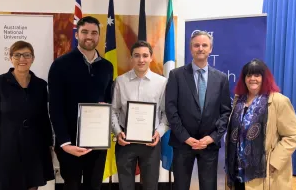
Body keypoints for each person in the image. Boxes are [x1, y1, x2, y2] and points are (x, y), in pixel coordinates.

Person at [48, 16, 114, 190]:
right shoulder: (60, 65)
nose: (89, 36)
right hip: (70, 143)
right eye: (84, 32)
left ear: (99, 36)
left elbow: (108, 100)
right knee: (72, 186)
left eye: (94, 32)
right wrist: (64, 142)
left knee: (95, 186)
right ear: (77, 34)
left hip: (97, 142)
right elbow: (55, 106)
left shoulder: (107, 67)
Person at [0, 41, 54, 190]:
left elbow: (44, 120)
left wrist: (49, 147)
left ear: (32, 58)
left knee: (31, 186)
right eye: (17, 55)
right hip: (6, 150)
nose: (22, 59)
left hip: (34, 149)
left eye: (27, 55)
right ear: (10, 58)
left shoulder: (40, 86)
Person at [165, 31, 231, 190]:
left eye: (204, 45)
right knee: (180, 186)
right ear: (191, 49)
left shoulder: (221, 78)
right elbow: (170, 108)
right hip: (182, 143)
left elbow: (225, 112)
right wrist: (185, 137)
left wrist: (212, 137)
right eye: (196, 45)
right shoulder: (176, 75)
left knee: (209, 186)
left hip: (208, 145)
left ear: (211, 49)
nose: (200, 48)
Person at [225, 59, 296, 190]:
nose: (252, 79)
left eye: (257, 75)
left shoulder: (279, 101)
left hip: (264, 173)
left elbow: (293, 135)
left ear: (264, 78)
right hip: (237, 170)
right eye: (249, 75)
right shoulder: (239, 100)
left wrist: (274, 162)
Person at [111, 40, 169, 190]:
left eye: (145, 55)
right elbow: (113, 110)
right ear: (131, 58)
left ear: (151, 57)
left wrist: (159, 133)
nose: (141, 60)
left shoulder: (162, 82)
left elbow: (166, 113)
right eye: (137, 56)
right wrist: (118, 133)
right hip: (125, 142)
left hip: (151, 142)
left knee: (151, 185)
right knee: (125, 186)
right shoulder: (120, 81)